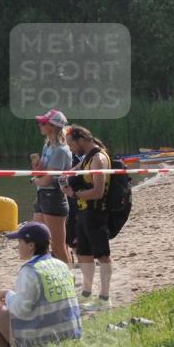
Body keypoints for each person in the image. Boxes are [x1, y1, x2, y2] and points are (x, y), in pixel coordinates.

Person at [0, 222, 82, 347]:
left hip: (42, 342)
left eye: (20, 242)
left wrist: (8, 295)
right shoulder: (62, 266)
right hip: (70, 335)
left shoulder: (30, 271)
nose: (18, 246)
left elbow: (21, 310)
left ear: (31, 245)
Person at [61, 125, 115, 311]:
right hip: (83, 214)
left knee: (102, 255)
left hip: (96, 213)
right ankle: (86, 293)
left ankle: (105, 297)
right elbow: (71, 171)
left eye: (71, 144)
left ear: (81, 140)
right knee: (83, 253)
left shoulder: (98, 159)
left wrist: (74, 194)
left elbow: (98, 192)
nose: (70, 148)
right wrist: (63, 178)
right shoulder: (87, 159)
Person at [29, 109, 72, 263]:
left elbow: (48, 181)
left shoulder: (60, 150)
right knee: (36, 238)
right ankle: (47, 273)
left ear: (52, 127)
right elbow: (44, 175)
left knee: (58, 247)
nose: (39, 124)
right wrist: (37, 169)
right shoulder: (47, 146)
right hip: (42, 196)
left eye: (43, 122)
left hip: (54, 198)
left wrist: (34, 180)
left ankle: (68, 281)